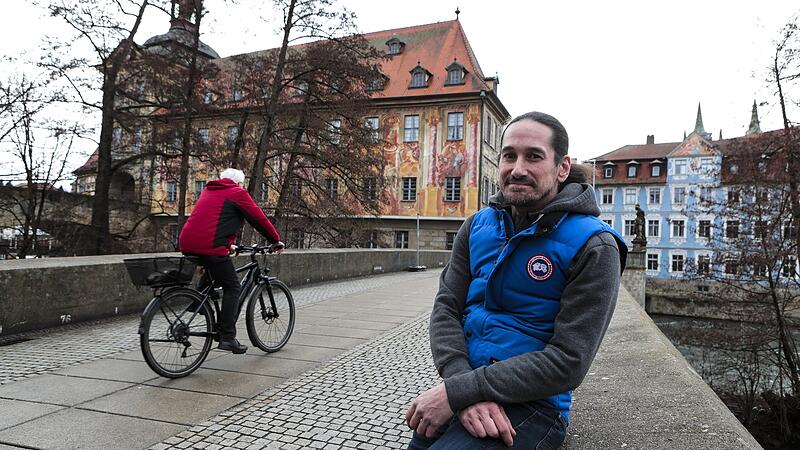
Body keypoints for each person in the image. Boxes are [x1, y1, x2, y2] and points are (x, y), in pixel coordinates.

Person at [405, 112, 627, 449]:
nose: (518, 168)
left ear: (562, 167)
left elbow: (568, 361)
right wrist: (462, 389)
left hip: (534, 406)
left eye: (534, 156)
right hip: (463, 383)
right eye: (509, 155)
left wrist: (459, 392)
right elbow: (446, 310)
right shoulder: (476, 226)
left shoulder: (594, 245)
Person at [179, 168, 284, 354]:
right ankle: (227, 337)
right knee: (233, 287)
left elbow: (213, 223)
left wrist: (229, 245)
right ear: (239, 183)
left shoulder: (209, 191)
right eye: (242, 184)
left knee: (215, 272)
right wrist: (275, 240)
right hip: (209, 246)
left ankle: (197, 302)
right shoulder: (236, 193)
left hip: (187, 242)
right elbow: (258, 218)